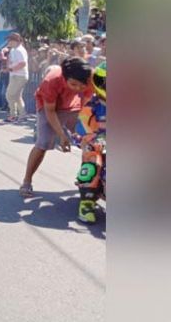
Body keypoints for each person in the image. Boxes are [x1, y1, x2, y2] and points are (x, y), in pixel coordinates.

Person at [19, 57, 93, 197]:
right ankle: (26, 182)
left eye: (82, 86)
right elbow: (50, 111)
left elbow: (86, 106)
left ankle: (87, 182)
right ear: (64, 78)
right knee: (43, 143)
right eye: (73, 84)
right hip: (49, 108)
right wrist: (62, 135)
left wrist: (82, 131)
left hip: (74, 107)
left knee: (89, 143)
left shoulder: (91, 78)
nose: (78, 88)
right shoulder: (51, 81)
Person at [74, 62, 106, 223]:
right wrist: (87, 136)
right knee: (92, 162)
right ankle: (86, 204)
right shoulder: (93, 104)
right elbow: (82, 124)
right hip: (98, 142)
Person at [3, 32, 29, 122]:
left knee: (9, 95)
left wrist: (10, 69)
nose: (8, 42)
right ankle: (22, 115)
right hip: (15, 75)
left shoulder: (20, 50)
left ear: (16, 41)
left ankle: (13, 115)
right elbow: (10, 62)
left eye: (10, 40)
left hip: (19, 76)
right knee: (17, 96)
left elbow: (23, 63)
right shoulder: (13, 50)